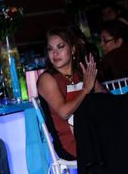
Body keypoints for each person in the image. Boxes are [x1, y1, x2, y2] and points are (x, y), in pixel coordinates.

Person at [36, 26, 102, 159]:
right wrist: (85, 90)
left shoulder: (81, 71)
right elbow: (64, 113)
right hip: (70, 142)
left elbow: (106, 100)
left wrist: (96, 86)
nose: (55, 54)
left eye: (60, 47)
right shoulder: (47, 79)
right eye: (50, 49)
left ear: (72, 49)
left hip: (93, 133)